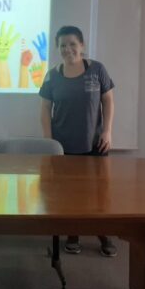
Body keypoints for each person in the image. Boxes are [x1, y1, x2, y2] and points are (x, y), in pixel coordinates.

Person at [39, 25, 116, 257]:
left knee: (99, 193)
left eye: (73, 44)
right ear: (58, 48)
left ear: (82, 45)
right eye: (63, 45)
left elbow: (108, 101)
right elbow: (45, 109)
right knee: (69, 195)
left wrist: (107, 131)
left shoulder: (97, 69)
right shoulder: (52, 75)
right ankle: (73, 235)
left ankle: (103, 234)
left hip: (95, 144)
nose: (68, 49)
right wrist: (48, 141)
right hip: (63, 146)